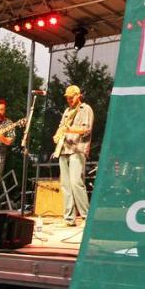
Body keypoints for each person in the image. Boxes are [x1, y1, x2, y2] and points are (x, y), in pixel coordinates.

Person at [53, 85, 94, 227]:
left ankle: (86, 216)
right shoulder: (67, 111)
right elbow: (61, 126)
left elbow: (86, 129)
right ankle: (69, 218)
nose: (69, 99)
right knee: (65, 184)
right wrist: (57, 135)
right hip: (63, 149)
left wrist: (70, 129)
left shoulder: (85, 109)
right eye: (67, 97)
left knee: (76, 182)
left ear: (78, 95)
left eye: (72, 97)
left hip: (77, 149)